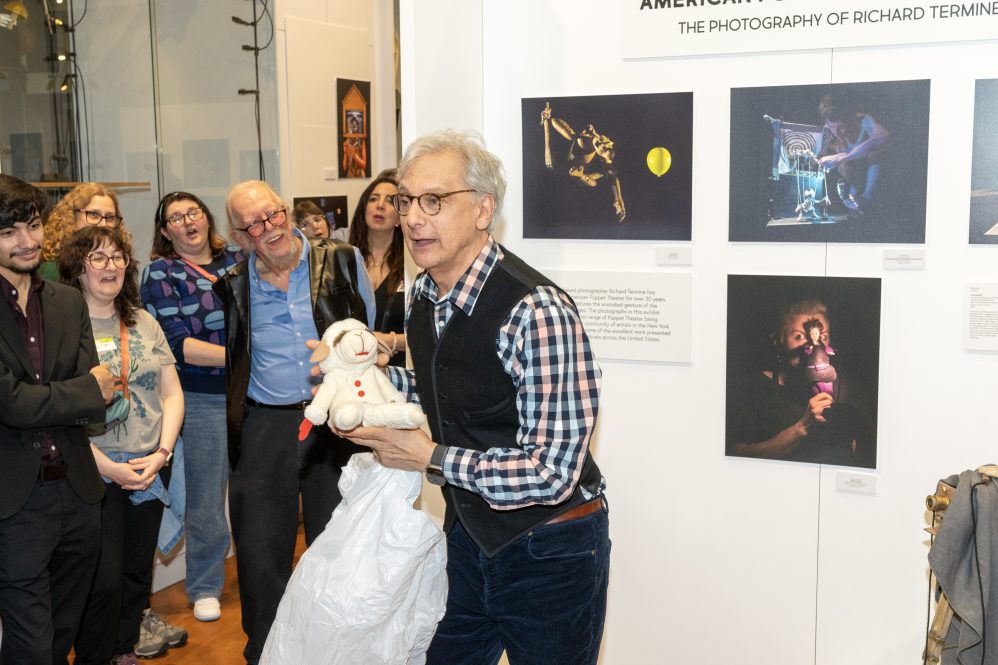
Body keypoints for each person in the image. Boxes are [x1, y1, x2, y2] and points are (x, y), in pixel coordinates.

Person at [338, 131, 610, 665]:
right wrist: (361, 385)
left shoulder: (537, 311)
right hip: (467, 537)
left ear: (483, 210)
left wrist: (430, 457)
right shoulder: (423, 294)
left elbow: (551, 472)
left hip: (549, 548)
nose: (413, 218)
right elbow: (451, 396)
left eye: (434, 201)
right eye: (405, 200)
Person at [214, 179, 376, 665]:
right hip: (266, 428)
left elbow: (364, 335)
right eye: (254, 225)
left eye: (275, 215)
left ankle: (341, 654)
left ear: (286, 211)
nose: (270, 229)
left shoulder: (343, 260)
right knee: (261, 558)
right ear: (242, 237)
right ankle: (266, 654)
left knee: (340, 547)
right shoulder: (232, 285)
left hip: (336, 426)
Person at [0, 175, 114, 665]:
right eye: (7, 233)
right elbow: (11, 404)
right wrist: (82, 391)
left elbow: (97, 401)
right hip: (14, 503)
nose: (27, 241)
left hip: (78, 491)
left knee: (62, 633)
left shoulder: (68, 301)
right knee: (30, 645)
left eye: (31, 226)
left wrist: (80, 393)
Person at [60, 226, 183, 665]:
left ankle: (123, 649)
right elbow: (60, 416)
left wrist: (161, 455)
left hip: (150, 465)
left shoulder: (142, 320)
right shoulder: (63, 328)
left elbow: (172, 393)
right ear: (77, 269)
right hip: (95, 471)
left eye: (117, 257)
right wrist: (109, 469)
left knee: (135, 573)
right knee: (103, 578)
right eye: (98, 258)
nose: (110, 267)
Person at [140, 191, 245, 624]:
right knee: (205, 498)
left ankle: (260, 573)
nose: (187, 221)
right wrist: (245, 358)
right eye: (175, 218)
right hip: (203, 397)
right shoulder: (161, 273)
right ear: (165, 231)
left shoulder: (239, 258)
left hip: (255, 393)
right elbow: (179, 346)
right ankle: (204, 586)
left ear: (207, 216)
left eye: (193, 212)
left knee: (256, 491)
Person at [726, 299, 868, 467]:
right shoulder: (750, 387)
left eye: (822, 336)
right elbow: (735, 454)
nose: (813, 344)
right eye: (799, 336)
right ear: (778, 339)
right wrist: (802, 427)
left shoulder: (846, 389)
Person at [348, 169, 407, 367]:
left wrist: (391, 340)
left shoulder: (413, 268)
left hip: (397, 376)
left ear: (400, 217)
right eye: (374, 199)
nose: (380, 205)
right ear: (364, 208)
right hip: (352, 375)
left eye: (390, 201)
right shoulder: (345, 262)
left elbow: (429, 336)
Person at [541, 101, 626, 222]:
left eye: (602, 151)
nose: (602, 147)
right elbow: (555, 123)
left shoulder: (591, 148)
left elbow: (607, 178)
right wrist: (546, 120)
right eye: (606, 146)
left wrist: (618, 198)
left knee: (598, 176)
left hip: (560, 166)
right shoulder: (595, 138)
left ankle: (580, 175)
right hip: (562, 159)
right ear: (610, 142)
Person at [816, 93, 890, 214]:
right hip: (853, 186)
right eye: (831, 126)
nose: (837, 132)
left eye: (841, 127)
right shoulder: (827, 133)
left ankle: (867, 197)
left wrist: (841, 157)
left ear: (849, 119)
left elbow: (882, 138)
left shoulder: (863, 121)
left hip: (874, 182)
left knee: (877, 152)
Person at [40, 183, 125, 280]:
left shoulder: (119, 265)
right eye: (93, 214)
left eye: (110, 217)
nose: (103, 224)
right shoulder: (52, 271)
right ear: (70, 217)